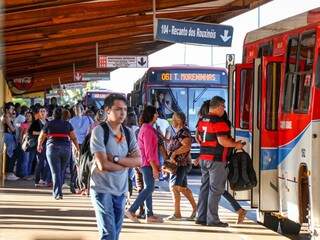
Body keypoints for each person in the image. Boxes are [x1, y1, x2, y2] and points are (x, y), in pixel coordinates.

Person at [90, 94, 141, 240]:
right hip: (102, 189)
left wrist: (117, 159)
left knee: (115, 234)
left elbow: (138, 160)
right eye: (118, 109)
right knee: (109, 234)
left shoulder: (128, 133)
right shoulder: (99, 131)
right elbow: (102, 164)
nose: (123, 113)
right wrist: (125, 164)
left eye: (125, 109)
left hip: (121, 190)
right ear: (107, 110)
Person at [196, 96, 245, 228]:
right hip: (216, 160)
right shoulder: (219, 122)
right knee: (216, 190)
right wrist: (236, 145)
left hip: (204, 158)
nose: (224, 109)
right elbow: (222, 141)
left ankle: (201, 217)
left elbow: (198, 138)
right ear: (218, 107)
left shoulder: (202, 120)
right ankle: (213, 219)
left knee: (204, 188)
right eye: (223, 106)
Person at [125, 105, 163, 224]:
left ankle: (149, 214)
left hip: (147, 163)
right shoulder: (147, 130)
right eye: (156, 113)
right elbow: (148, 152)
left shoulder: (148, 128)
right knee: (149, 187)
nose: (157, 115)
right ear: (151, 115)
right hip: (147, 163)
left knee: (149, 187)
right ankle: (131, 210)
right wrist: (154, 168)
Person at [37, 107, 80, 200]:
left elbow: (41, 136)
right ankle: (58, 191)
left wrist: (39, 145)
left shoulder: (49, 124)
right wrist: (77, 148)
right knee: (61, 171)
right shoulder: (67, 124)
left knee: (55, 172)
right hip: (66, 150)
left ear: (53, 114)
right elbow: (74, 138)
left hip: (52, 149)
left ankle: (57, 193)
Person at [166, 111, 197, 221]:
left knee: (174, 187)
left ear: (178, 120)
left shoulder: (184, 132)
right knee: (182, 188)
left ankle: (177, 214)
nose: (172, 121)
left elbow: (187, 146)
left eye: (173, 118)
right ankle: (195, 208)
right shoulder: (179, 132)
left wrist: (174, 153)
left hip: (181, 164)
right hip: (179, 164)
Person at [2, 102, 19, 180]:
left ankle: (9, 173)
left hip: (9, 137)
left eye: (13, 108)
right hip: (8, 137)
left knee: (11, 154)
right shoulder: (6, 117)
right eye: (11, 108)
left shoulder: (9, 117)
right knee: (10, 155)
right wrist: (13, 127)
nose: (13, 110)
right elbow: (12, 129)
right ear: (7, 109)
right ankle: (9, 173)